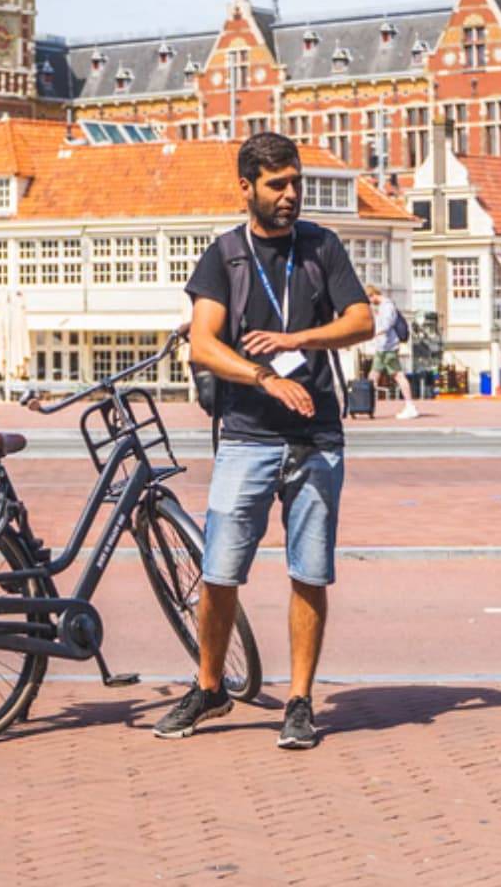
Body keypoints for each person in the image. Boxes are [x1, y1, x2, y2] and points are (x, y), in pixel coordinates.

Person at [163, 132, 372, 749]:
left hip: (316, 439)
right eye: (277, 185)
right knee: (219, 572)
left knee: (310, 572)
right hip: (247, 436)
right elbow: (204, 344)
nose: (290, 195)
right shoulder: (224, 255)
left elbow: (360, 320)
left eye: (295, 182)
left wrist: (296, 341)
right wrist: (262, 377)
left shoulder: (322, 247)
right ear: (247, 188)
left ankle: (301, 702)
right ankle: (208, 688)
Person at [364, 284, 421, 419]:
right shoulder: (381, 307)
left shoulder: (387, 306)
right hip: (382, 348)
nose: (369, 302)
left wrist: (372, 334)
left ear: (373, 295)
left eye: (369, 299)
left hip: (388, 348)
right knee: (373, 376)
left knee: (398, 376)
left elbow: (386, 324)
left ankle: (410, 406)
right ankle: (364, 404)